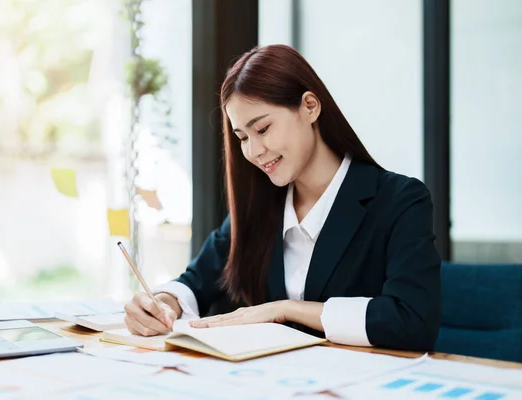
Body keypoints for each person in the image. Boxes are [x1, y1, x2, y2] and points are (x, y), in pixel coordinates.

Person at [123, 44, 441, 351]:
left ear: (310, 107)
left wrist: (287, 310)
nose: (253, 151)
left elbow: (412, 322)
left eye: (262, 129)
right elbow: (194, 282)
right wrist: (162, 304)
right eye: (242, 137)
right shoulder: (259, 209)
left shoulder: (398, 200)